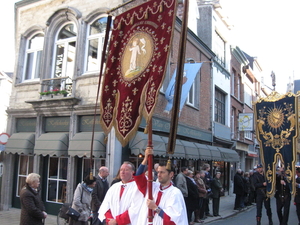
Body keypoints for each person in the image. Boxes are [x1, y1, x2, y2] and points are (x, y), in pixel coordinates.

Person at [134, 147, 188, 224]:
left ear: (171, 174)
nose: (159, 175)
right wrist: (146, 158)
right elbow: (138, 176)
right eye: (158, 172)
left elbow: (174, 220)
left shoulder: (175, 193)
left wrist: (155, 208)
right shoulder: (152, 187)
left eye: (162, 172)